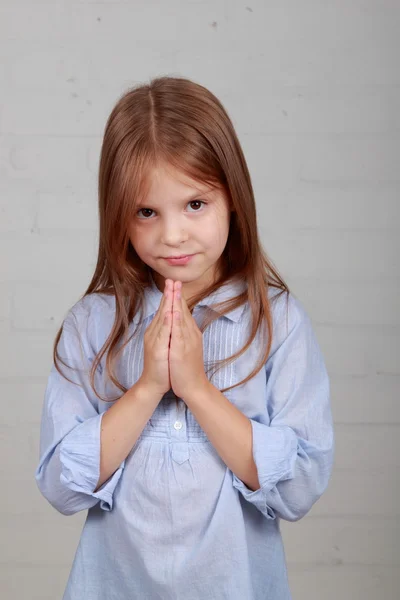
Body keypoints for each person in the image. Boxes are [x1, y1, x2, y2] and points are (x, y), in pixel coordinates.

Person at [35, 75, 335, 600]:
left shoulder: (278, 321)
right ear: (118, 216)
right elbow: (61, 485)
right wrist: (148, 387)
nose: (172, 234)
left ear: (233, 199)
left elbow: (300, 487)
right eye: (146, 212)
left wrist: (196, 387)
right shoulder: (93, 323)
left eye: (195, 204)